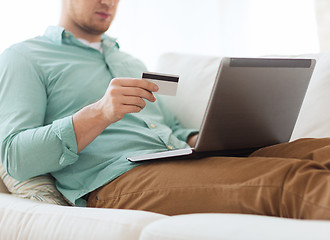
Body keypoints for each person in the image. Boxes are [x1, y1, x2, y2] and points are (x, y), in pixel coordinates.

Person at [0, 0, 329, 219]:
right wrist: (99, 113)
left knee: (322, 151)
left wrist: (202, 137)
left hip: (175, 158)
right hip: (116, 181)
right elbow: (14, 157)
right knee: (290, 182)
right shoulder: (24, 57)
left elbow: (167, 124)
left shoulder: (129, 61)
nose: (107, 2)